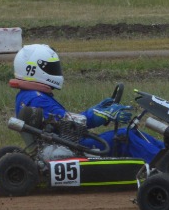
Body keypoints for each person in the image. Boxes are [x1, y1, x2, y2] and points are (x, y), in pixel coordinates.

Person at [10, 43, 161, 161]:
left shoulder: (29, 95)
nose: (56, 71)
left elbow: (60, 122)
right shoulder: (36, 99)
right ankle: (164, 164)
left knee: (132, 133)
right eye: (51, 67)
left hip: (66, 144)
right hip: (72, 148)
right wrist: (96, 115)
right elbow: (68, 124)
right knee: (126, 137)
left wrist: (96, 110)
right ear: (32, 69)